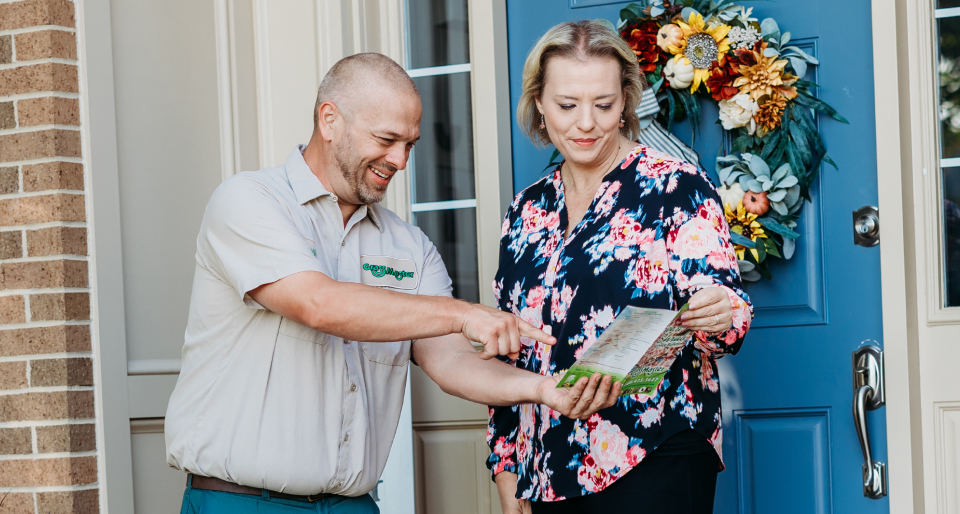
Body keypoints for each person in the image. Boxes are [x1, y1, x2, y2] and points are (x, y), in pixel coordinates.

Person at [165, 52, 622, 514]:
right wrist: (465, 313)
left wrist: (543, 389)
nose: (400, 160)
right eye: (386, 139)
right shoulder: (250, 202)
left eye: (410, 144)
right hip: (241, 502)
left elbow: (450, 361)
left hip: (353, 505)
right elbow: (317, 304)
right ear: (330, 120)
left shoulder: (410, 246)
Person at [487, 21, 754, 514]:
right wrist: (506, 463)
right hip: (547, 467)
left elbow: (727, 319)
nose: (585, 123)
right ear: (539, 106)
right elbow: (509, 349)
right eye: (567, 105)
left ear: (626, 102)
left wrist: (721, 311)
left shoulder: (677, 187)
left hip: (655, 454)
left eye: (603, 105)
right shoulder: (524, 212)